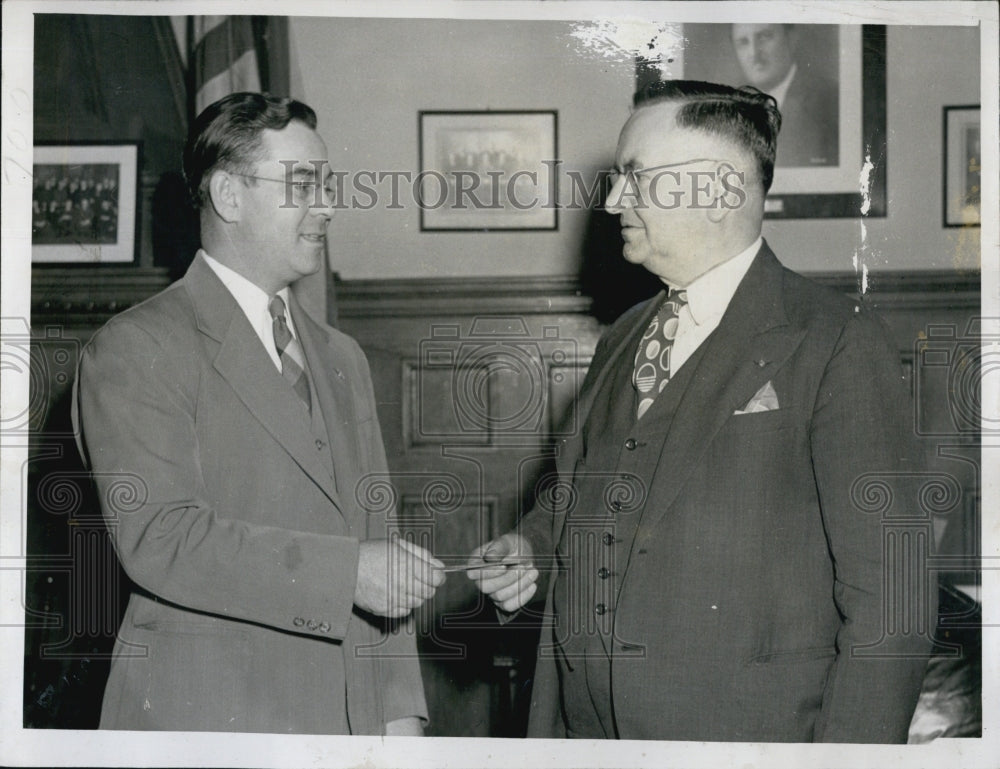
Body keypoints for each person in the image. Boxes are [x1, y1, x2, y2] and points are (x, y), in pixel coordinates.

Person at [468, 80, 933, 742]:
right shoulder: (625, 334)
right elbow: (587, 497)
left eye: (635, 177)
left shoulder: (837, 341)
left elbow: (893, 604)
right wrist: (533, 549)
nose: (613, 200)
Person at [73, 92, 445, 735]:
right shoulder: (136, 346)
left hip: (346, 726)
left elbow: (375, 540)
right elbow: (161, 538)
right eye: (303, 185)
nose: (327, 207)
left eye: (328, 186)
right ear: (229, 195)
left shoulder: (343, 357)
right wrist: (346, 575)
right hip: (208, 720)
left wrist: (400, 715)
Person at [730, 23, 839, 167]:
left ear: (791, 38)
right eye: (743, 42)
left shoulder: (833, 100)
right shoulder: (730, 109)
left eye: (764, 37)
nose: (754, 54)